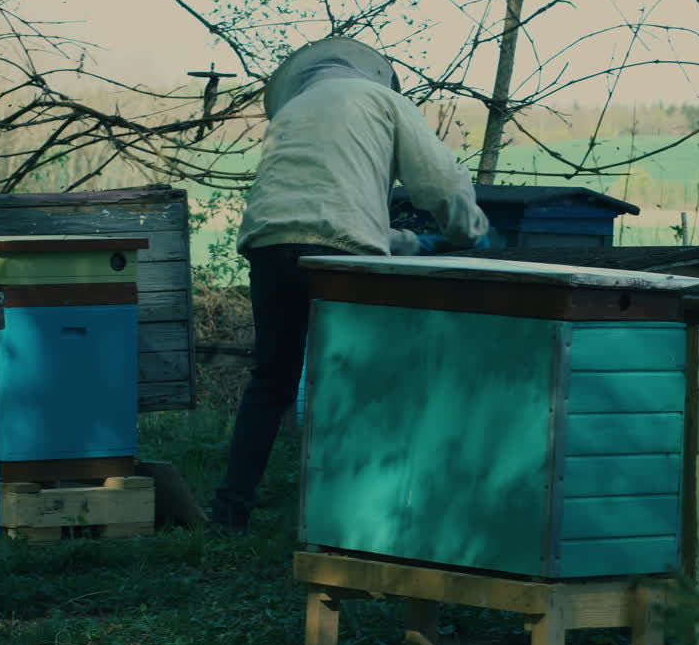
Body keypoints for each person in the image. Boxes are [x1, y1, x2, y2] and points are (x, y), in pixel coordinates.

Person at [208, 37, 490, 532]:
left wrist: (406, 242)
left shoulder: (292, 114)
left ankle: (231, 510)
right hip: (338, 257)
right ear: (374, 74)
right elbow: (439, 183)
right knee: (357, 380)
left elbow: (325, 208)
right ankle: (346, 512)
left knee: (271, 380)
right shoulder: (384, 101)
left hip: (270, 245)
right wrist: (467, 231)